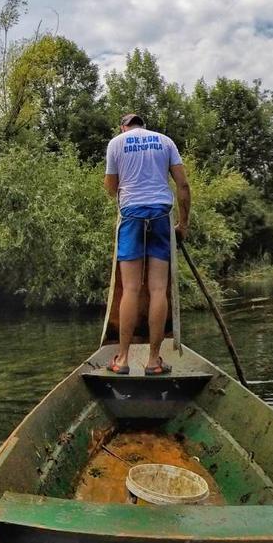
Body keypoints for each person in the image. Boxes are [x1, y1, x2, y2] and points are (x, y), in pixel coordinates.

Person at [104, 113, 191, 375]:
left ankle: (122, 360)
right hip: (161, 216)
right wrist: (183, 225)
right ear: (144, 125)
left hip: (131, 217)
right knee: (157, 289)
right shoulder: (165, 141)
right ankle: (154, 361)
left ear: (124, 127)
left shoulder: (116, 143)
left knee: (130, 289)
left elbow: (111, 187)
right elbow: (183, 186)